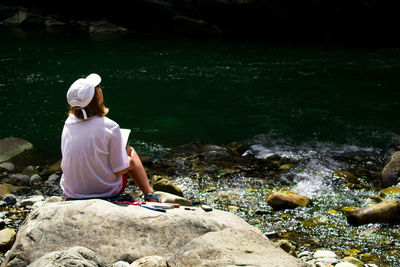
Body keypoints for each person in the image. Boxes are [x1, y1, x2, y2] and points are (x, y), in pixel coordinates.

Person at [60, 73, 160, 202]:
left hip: (73, 192)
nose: (101, 89)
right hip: (105, 192)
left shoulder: (68, 123)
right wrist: (129, 162)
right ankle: (150, 195)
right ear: (96, 97)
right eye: (99, 87)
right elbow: (120, 170)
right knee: (129, 151)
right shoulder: (110, 126)